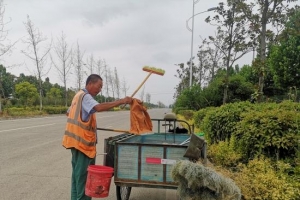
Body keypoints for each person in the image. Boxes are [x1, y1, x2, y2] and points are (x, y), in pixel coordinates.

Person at [62, 74, 132, 200]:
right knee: (84, 180)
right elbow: (98, 107)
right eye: (99, 86)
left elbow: (68, 112)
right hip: (83, 146)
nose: (100, 89)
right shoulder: (86, 97)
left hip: (74, 144)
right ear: (89, 84)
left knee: (77, 179)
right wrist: (121, 101)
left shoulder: (77, 96)